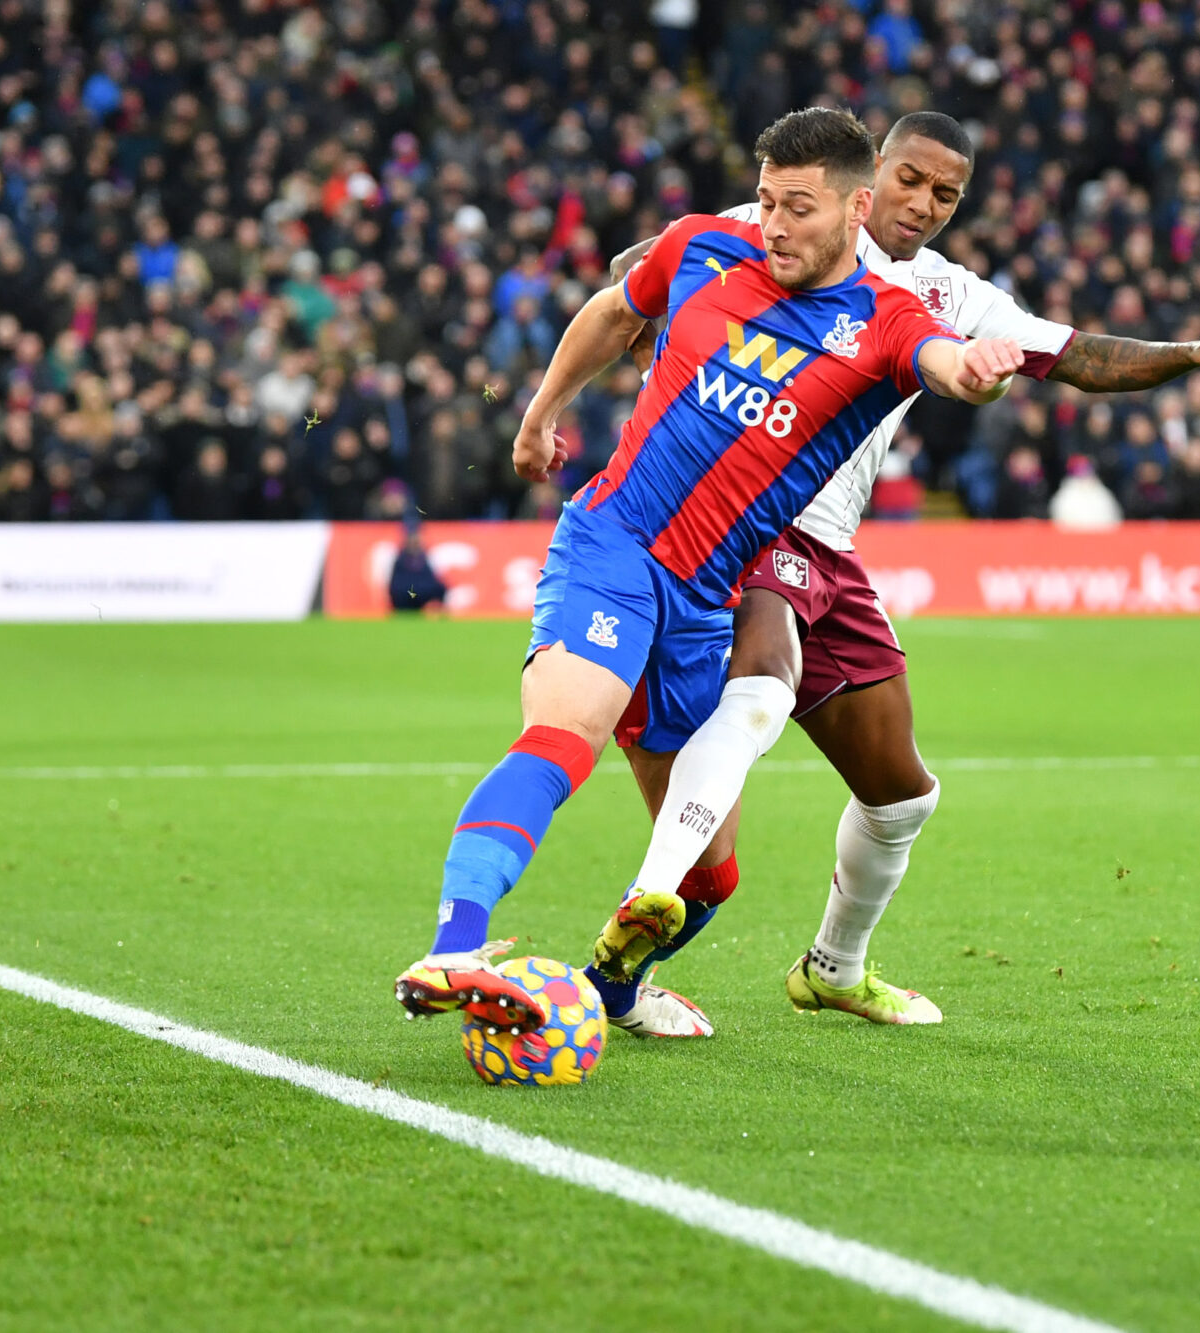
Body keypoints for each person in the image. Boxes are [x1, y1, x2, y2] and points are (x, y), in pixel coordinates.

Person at [587, 112, 1200, 1036]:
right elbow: (643, 269)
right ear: (872, 170)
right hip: (746, 518)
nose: (923, 204)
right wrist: (651, 326)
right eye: (911, 179)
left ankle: (833, 968)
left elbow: (1073, 356)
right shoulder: (774, 227)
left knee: (902, 795)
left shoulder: (950, 295)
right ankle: (639, 913)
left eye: (946, 195)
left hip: (831, 550)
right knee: (763, 687)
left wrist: (1187, 355)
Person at [391, 107, 1024, 1035]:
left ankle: (611, 991)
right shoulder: (702, 244)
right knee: (563, 736)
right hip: (613, 544)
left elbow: (949, 365)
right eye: (766, 201)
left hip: (703, 601)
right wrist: (540, 413)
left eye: (799, 208)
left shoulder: (888, 321)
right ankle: (453, 949)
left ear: (855, 211)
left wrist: (984, 370)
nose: (773, 225)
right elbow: (615, 310)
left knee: (709, 874)